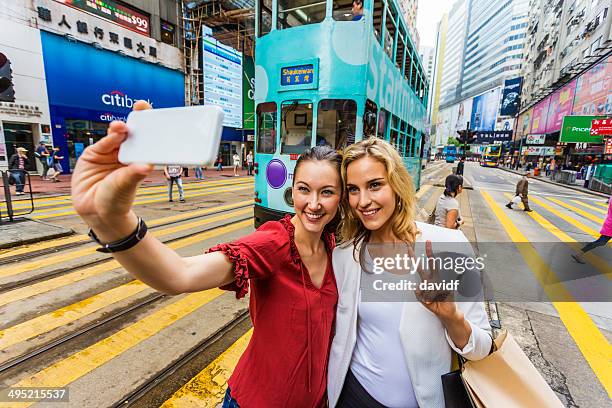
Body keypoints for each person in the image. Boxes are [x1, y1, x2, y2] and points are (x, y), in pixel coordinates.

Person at [70, 101, 343, 407]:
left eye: (327, 192)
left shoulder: (336, 250)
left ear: (341, 196)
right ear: (292, 191)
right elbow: (180, 275)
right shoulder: (275, 242)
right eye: (304, 189)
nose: (314, 203)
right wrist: (113, 222)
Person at [328, 138, 492, 407]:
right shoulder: (346, 254)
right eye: (353, 190)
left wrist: (451, 317)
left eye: (375, 185)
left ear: (396, 184)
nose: (363, 201)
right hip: (353, 396)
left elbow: (482, 348)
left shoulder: (449, 246)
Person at [572, 197, 612, 264]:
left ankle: (582, 251)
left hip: (609, 223)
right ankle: (580, 253)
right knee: (601, 242)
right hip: (610, 225)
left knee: (601, 242)